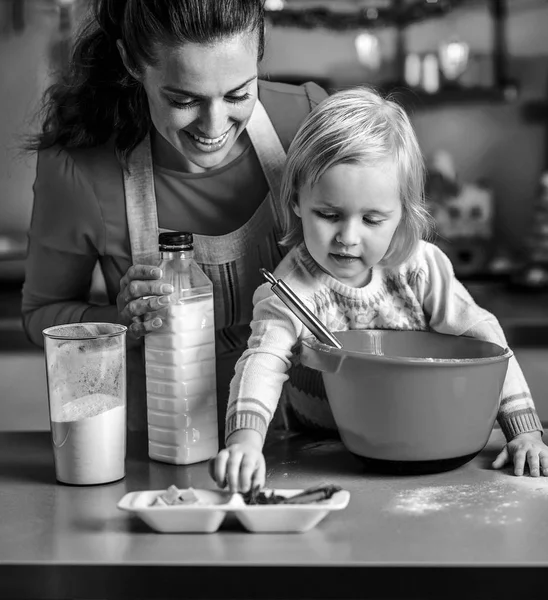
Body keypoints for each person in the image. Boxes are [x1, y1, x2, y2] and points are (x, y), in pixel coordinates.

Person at [210, 87, 548, 493]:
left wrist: (523, 432)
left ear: (402, 213)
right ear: (296, 199)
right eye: (328, 214)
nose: (348, 237)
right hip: (322, 458)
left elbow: (485, 339)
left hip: (418, 442)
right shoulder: (291, 290)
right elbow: (263, 359)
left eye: (372, 219)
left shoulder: (421, 269)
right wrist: (244, 442)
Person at [21, 0, 328, 432]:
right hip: (163, 446)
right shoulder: (80, 168)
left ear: (259, 49)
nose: (214, 125)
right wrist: (119, 321)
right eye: (184, 99)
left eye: (239, 93)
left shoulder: (309, 122)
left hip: (310, 440)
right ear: (132, 62)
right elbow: (41, 315)